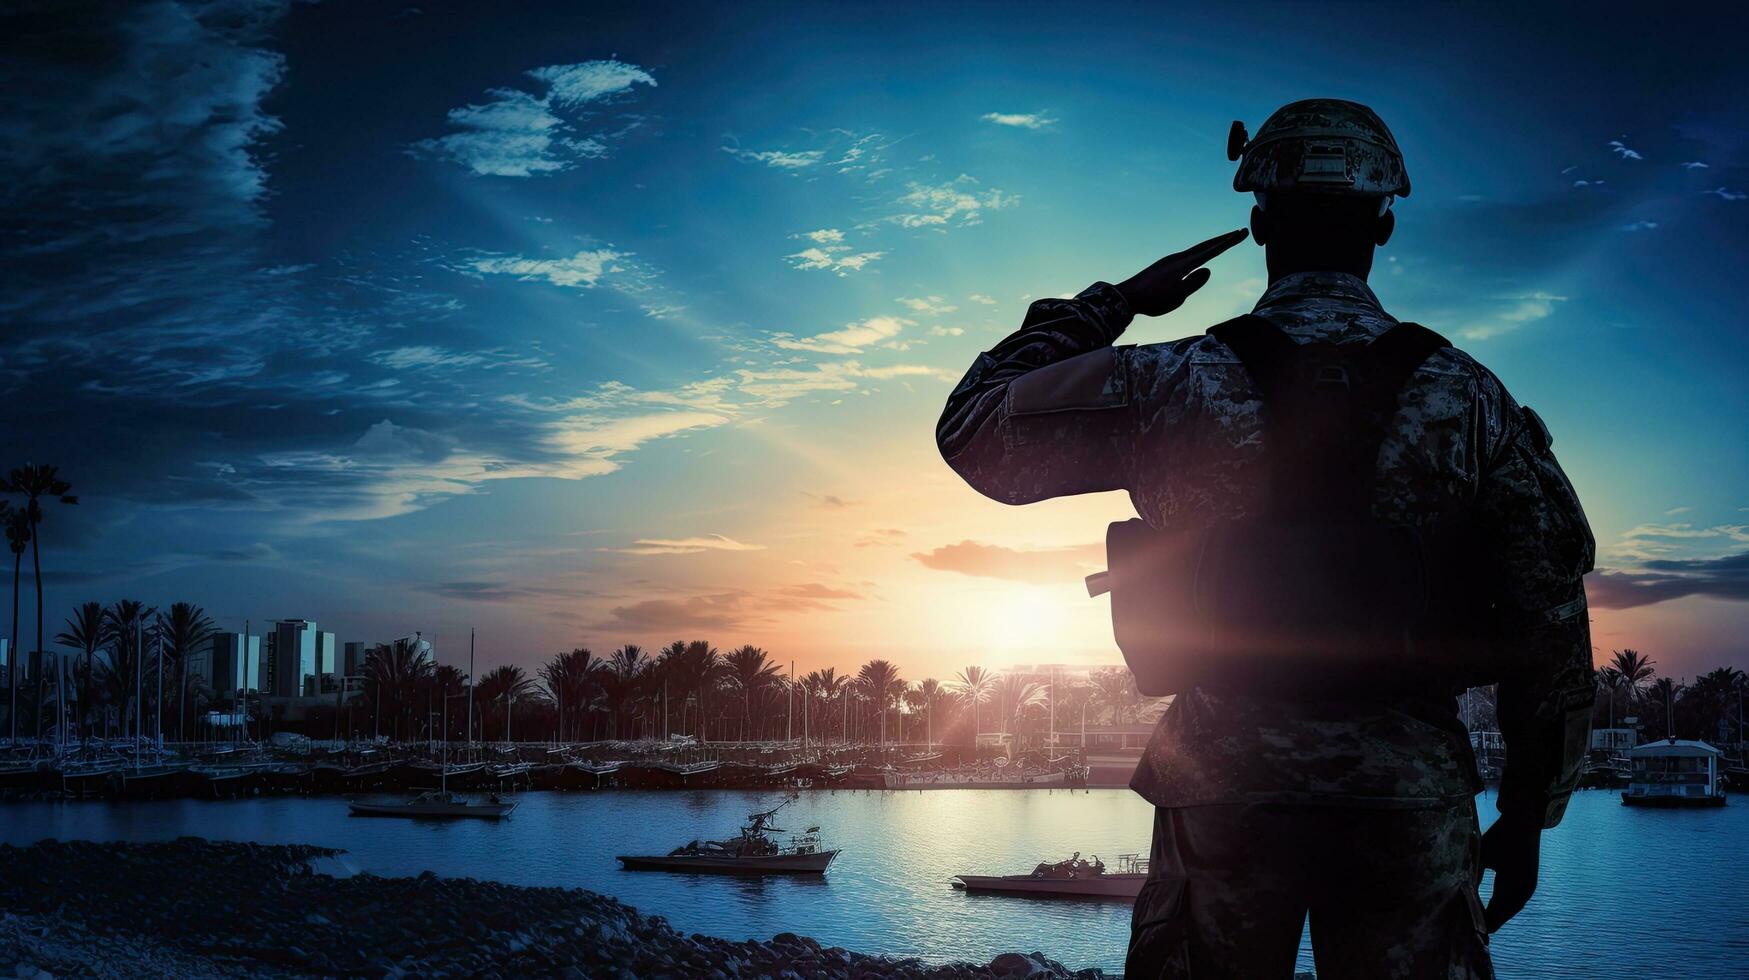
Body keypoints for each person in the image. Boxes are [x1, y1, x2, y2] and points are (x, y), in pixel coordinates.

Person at [936, 99, 1594, 979]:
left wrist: (1112, 305)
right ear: (1384, 225)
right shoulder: (1468, 398)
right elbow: (1548, 613)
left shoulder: (1171, 381)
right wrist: (1526, 815)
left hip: (1219, 784)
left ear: (1256, 224)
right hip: (1406, 790)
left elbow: (975, 434)